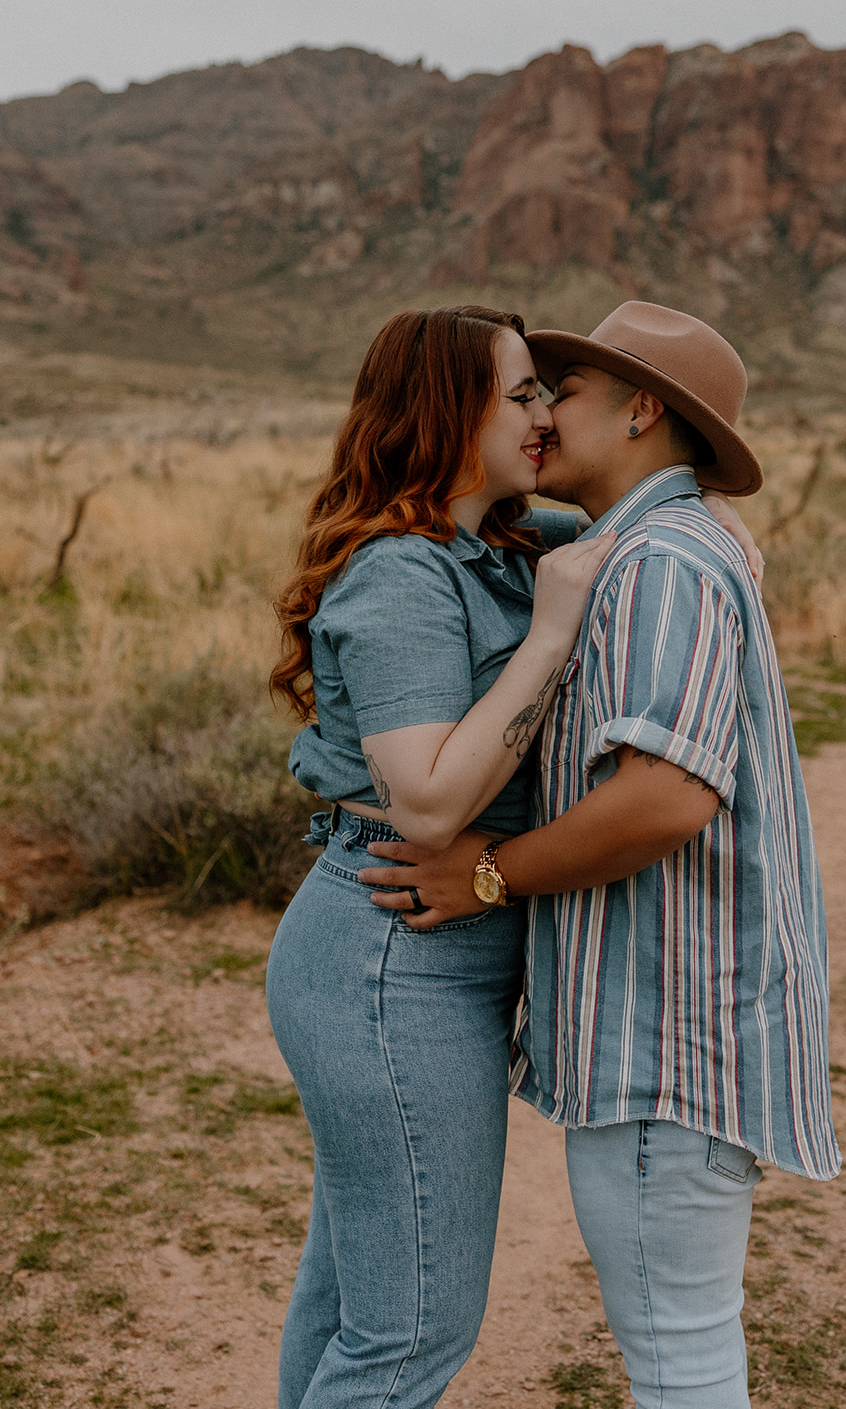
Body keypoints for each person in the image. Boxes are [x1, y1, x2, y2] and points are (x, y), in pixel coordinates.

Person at [362, 302, 841, 1409]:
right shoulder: (652, 545)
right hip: (674, 1033)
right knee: (687, 1349)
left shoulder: (660, 562)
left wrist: (488, 872)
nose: (536, 412)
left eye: (560, 391)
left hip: (661, 1040)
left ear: (640, 410)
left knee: (678, 1362)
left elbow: (665, 798)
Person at [265, 304, 618, 1409]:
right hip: (388, 958)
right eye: (519, 393)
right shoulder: (402, 575)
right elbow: (423, 804)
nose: (543, 414)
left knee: (352, 1300)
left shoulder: (502, 547)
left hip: (415, 958)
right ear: (445, 408)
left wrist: (699, 518)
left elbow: (629, 532)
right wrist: (551, 639)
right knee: (410, 1332)